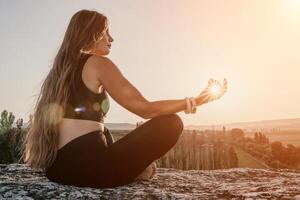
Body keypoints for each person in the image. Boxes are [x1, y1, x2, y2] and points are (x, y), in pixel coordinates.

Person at [22, 9, 227, 189]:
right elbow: (144, 108)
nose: (111, 39)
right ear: (90, 35)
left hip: (56, 171)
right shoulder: (98, 63)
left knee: (106, 132)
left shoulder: (60, 72)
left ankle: (129, 171)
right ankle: (134, 173)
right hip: (88, 169)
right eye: (105, 32)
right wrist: (196, 101)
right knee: (171, 123)